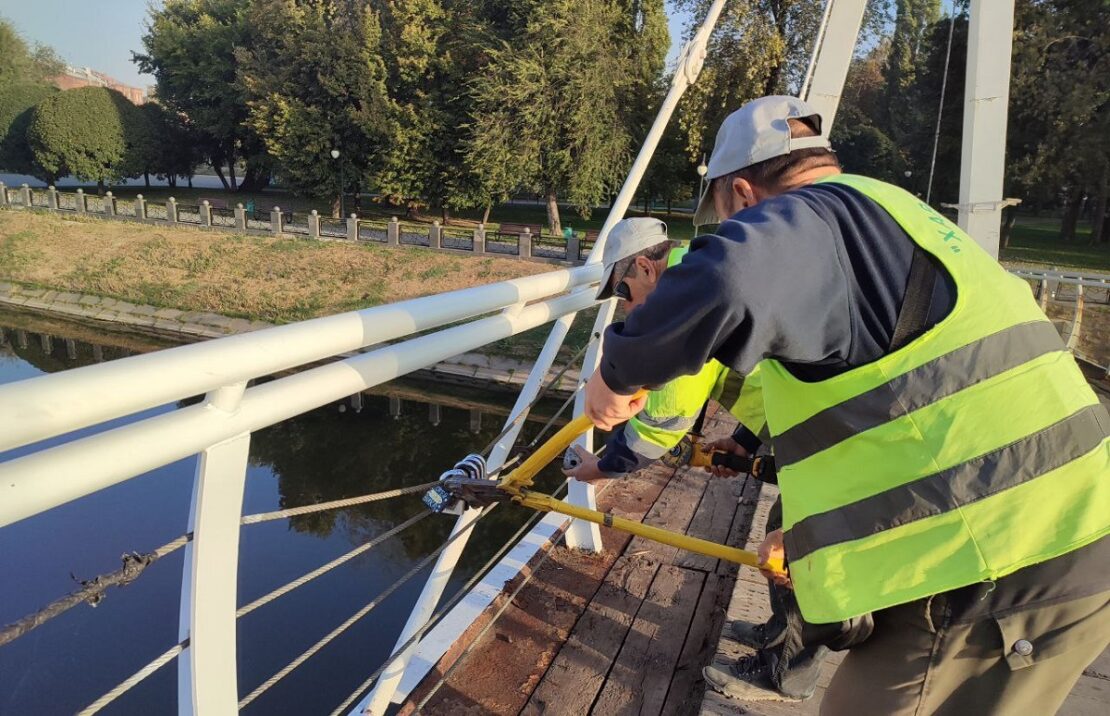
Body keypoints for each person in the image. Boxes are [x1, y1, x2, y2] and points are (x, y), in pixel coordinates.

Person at [583, 95, 1109, 714]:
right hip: (1030, 533)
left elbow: (725, 278)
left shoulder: (814, 216)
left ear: (746, 196)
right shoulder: (886, 207)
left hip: (1005, 556)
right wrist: (750, 445)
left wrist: (617, 373)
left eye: (727, 216)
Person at [562, 217, 734, 483]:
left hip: (814, 458)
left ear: (645, 269)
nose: (626, 307)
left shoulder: (681, 312)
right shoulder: (702, 268)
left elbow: (661, 425)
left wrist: (600, 468)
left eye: (622, 291)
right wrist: (746, 439)